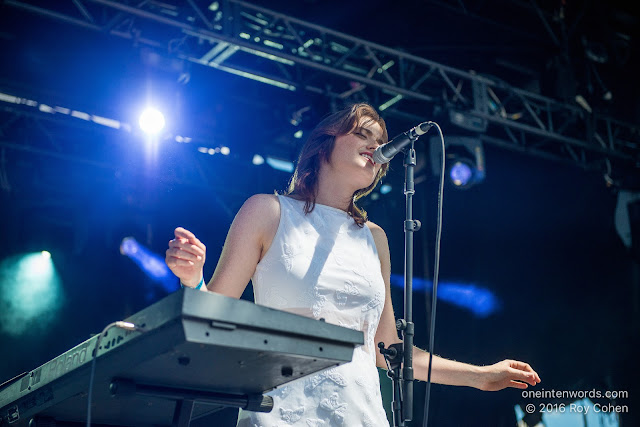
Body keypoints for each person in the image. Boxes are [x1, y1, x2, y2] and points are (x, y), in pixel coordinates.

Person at [165, 103, 541, 426]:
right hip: (281, 412)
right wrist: (193, 277)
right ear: (325, 143)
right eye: (363, 134)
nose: (376, 146)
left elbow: (387, 349)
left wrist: (480, 377)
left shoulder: (374, 237)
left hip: (361, 415)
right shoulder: (268, 211)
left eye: (379, 140)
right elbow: (215, 314)